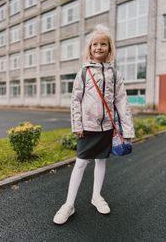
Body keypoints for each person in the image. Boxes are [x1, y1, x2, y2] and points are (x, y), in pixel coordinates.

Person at [53, 24, 135, 225]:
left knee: (101, 161)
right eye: (95, 44)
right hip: (87, 127)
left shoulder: (115, 75)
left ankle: (96, 196)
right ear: (90, 48)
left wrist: (127, 129)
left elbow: (122, 102)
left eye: (103, 44)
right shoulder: (83, 72)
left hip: (107, 127)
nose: (99, 47)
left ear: (109, 48)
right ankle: (68, 204)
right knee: (80, 163)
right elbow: (75, 100)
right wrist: (77, 125)